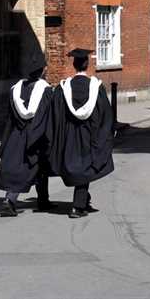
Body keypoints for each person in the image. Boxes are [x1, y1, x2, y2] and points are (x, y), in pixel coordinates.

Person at [50, 47, 115, 219]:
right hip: (89, 135)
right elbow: (105, 115)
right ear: (86, 64)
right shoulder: (96, 87)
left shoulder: (63, 88)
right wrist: (105, 134)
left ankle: (83, 200)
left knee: (75, 165)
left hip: (70, 135)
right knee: (85, 166)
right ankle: (77, 207)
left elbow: (56, 115)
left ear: (73, 65)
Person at [0, 59, 53, 217]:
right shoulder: (46, 90)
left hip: (16, 133)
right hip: (36, 134)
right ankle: (18, 199)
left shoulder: (15, 89)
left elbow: (10, 116)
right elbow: (48, 116)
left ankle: (35, 199)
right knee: (35, 166)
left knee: (21, 165)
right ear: (42, 72)